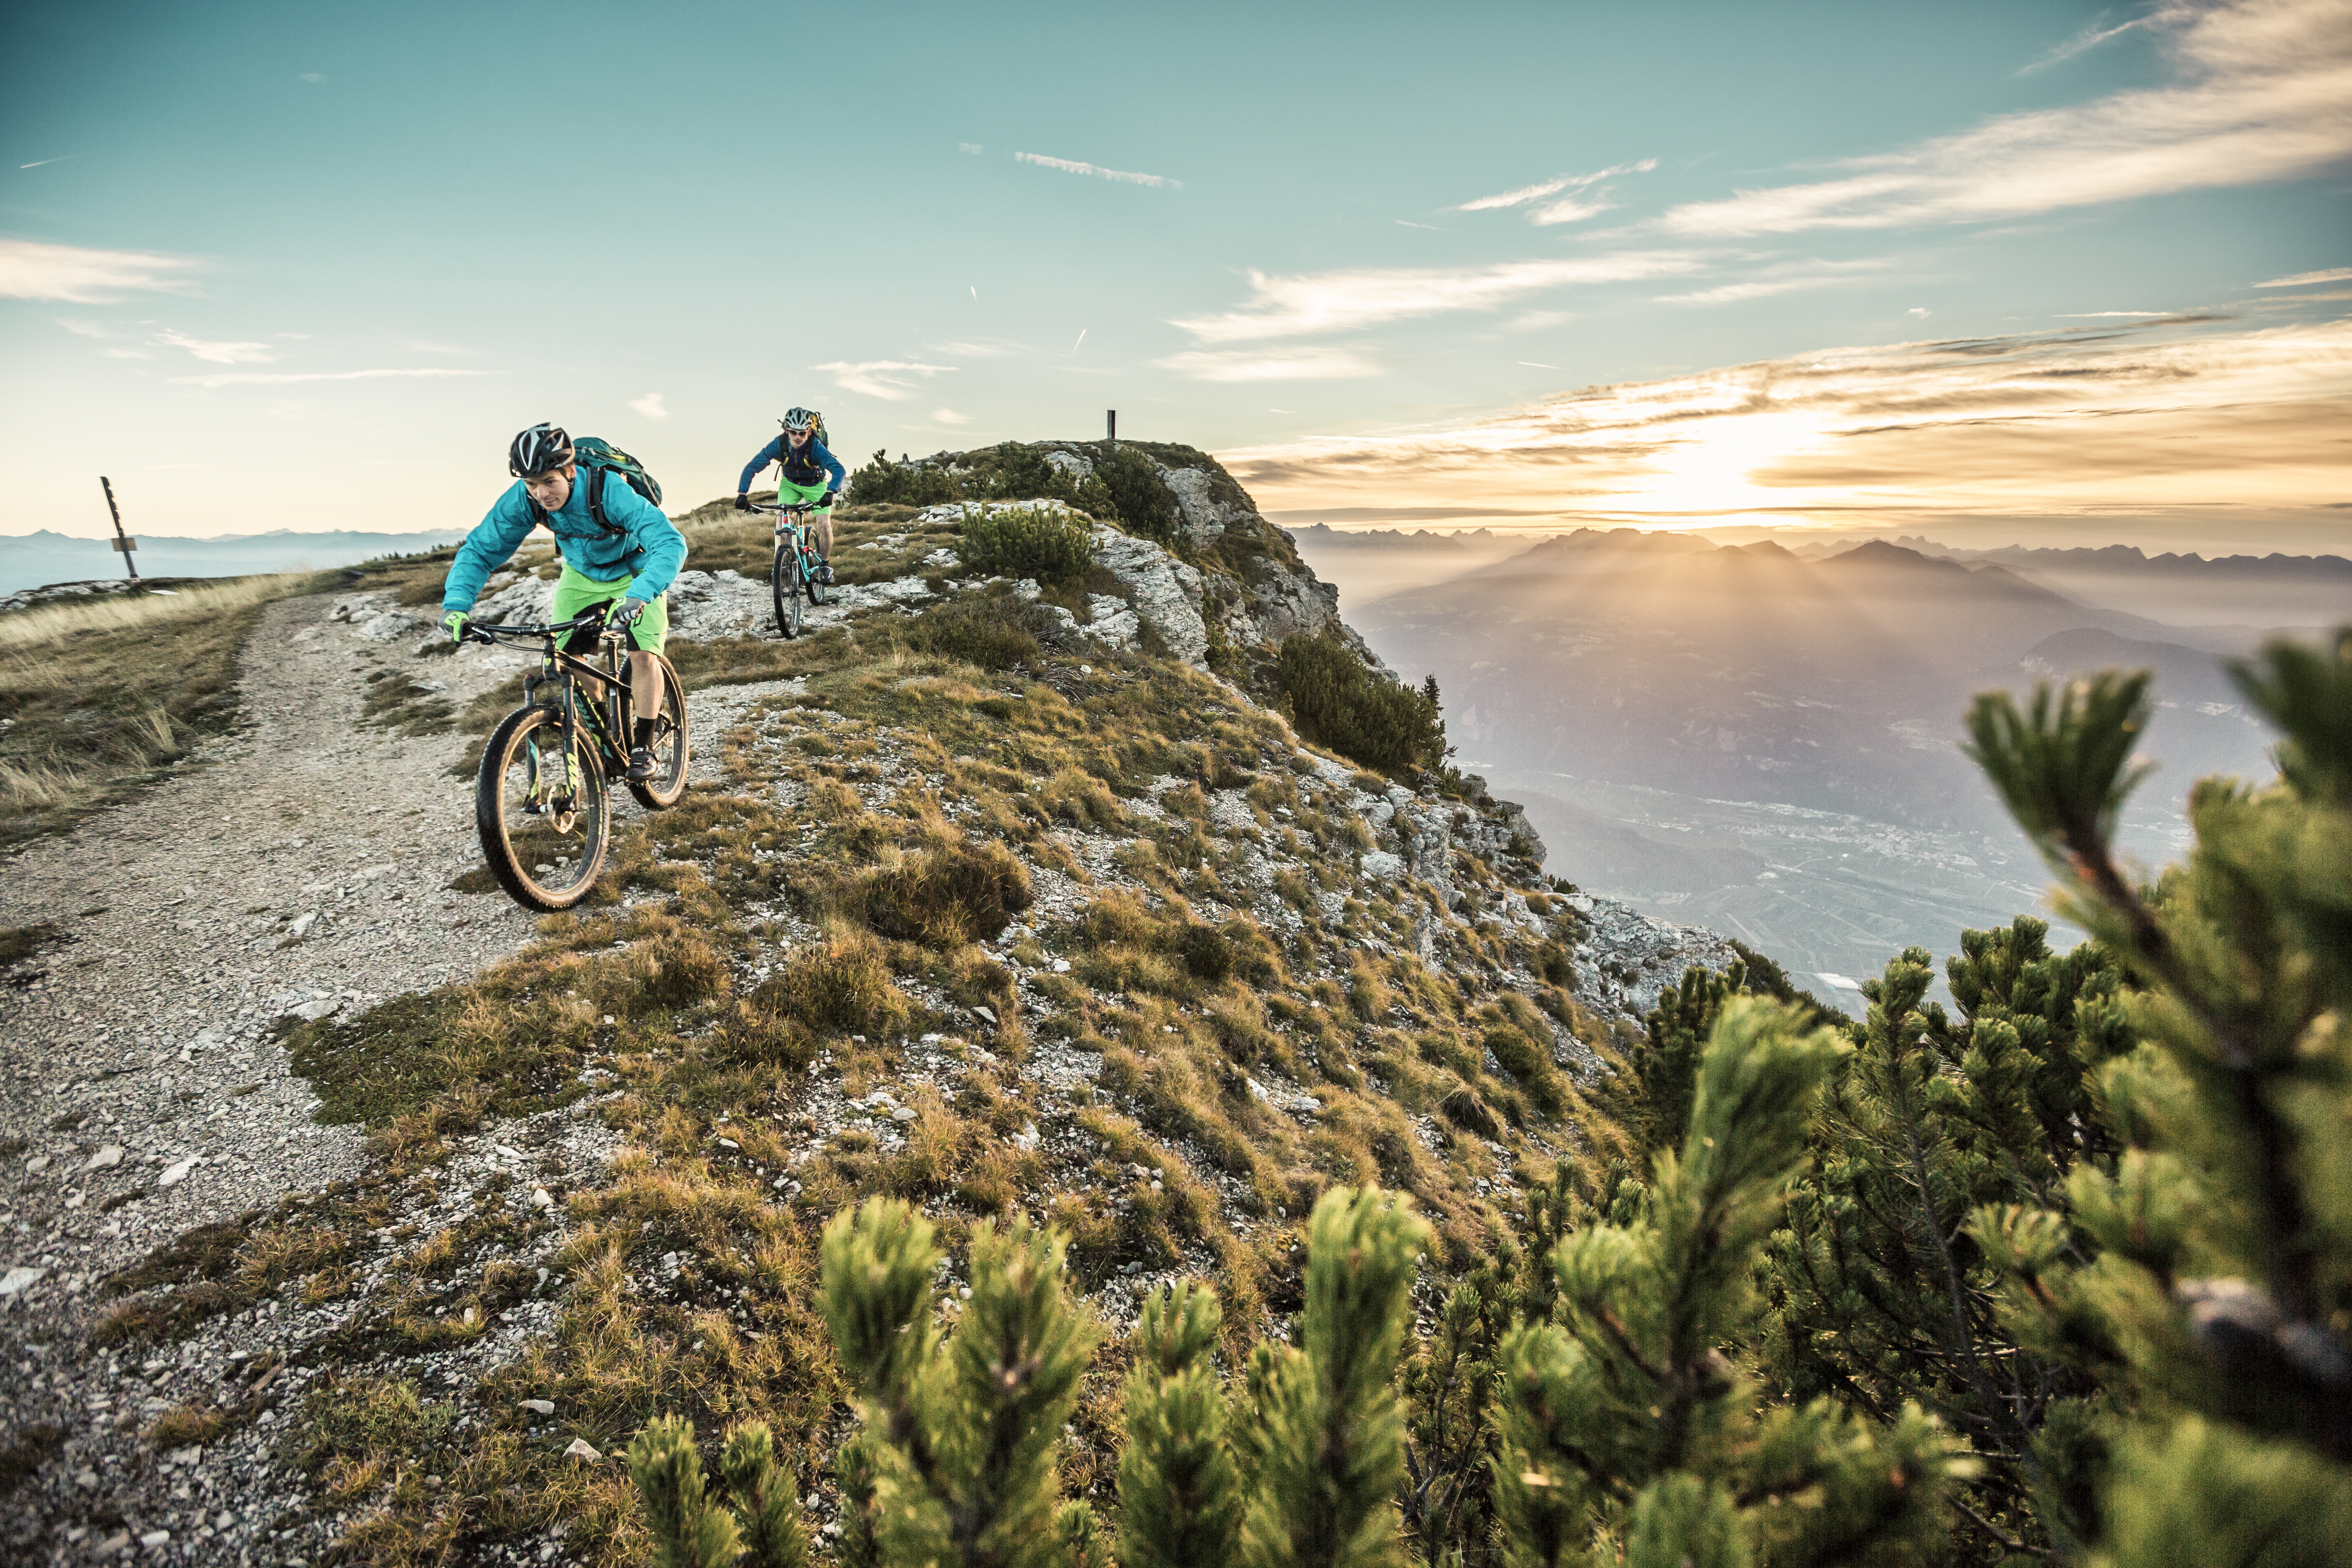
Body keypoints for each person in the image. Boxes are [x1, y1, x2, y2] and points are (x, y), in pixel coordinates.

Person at [440, 423, 687, 781]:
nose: (541, 493)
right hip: (581, 575)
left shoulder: (609, 490)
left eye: (549, 482)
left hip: (636, 570)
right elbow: (481, 550)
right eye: (531, 484)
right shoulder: (525, 499)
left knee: (643, 655)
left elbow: (669, 542)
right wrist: (456, 605)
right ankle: (606, 733)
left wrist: (640, 594)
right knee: (566, 659)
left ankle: (643, 747)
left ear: (570, 471)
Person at [735, 407, 845, 583]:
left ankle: (825, 566)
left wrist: (831, 491)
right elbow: (753, 467)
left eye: (802, 433)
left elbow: (838, 469)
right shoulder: (779, 445)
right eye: (794, 432)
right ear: (787, 430)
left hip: (815, 485)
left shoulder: (816, 447)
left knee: (824, 525)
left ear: (809, 431)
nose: (798, 437)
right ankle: (785, 562)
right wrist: (742, 493)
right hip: (790, 484)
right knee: (782, 524)